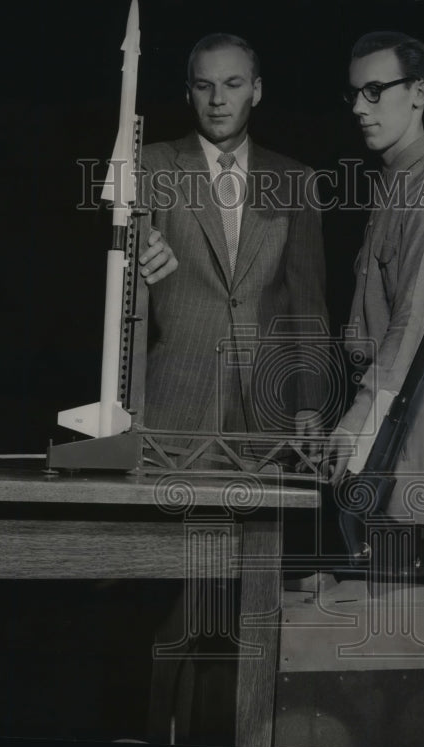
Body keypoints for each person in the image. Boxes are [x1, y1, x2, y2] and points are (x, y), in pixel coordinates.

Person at [326, 31, 424, 577]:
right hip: (392, 402)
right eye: (354, 95)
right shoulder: (396, 184)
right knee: (377, 586)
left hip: (412, 413)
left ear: (418, 92)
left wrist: (359, 417)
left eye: (375, 91)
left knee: (405, 595)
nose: (361, 109)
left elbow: (414, 323)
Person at [137, 33, 330, 458]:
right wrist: (138, 250)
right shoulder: (150, 166)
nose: (218, 99)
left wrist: (311, 401)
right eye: (204, 86)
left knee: (261, 527)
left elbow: (308, 302)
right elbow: (121, 261)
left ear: (256, 91)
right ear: (189, 94)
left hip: (267, 408)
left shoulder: (297, 181)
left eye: (233, 84)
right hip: (172, 406)